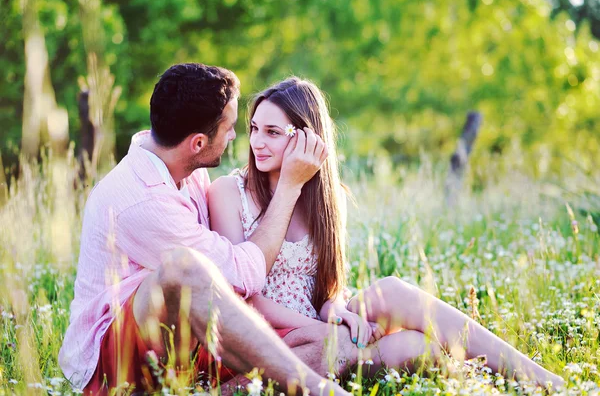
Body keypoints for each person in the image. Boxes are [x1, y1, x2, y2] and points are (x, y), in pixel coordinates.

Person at [207, 76, 565, 389]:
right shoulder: (228, 193)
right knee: (411, 348)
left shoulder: (328, 201)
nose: (257, 142)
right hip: (272, 338)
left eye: (272, 132)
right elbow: (240, 297)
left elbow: (328, 286)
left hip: (323, 325)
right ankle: (490, 381)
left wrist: (335, 310)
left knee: (400, 308)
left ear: (309, 139)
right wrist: (324, 331)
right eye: (254, 128)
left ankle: (536, 379)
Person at [59, 64, 355, 396]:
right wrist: (288, 188)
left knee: (335, 344)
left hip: (187, 341)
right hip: (114, 362)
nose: (236, 136)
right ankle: (320, 390)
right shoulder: (141, 199)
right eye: (231, 128)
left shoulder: (189, 169)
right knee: (181, 269)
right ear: (198, 143)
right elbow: (243, 276)